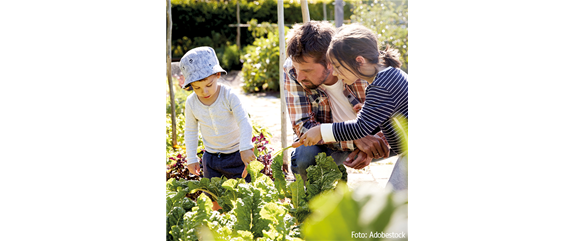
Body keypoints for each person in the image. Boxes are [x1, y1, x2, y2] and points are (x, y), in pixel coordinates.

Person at [300, 24, 408, 190]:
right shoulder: (388, 75)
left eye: (337, 66)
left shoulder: (381, 86)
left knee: (395, 206)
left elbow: (359, 129)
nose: (335, 73)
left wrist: (321, 130)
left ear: (359, 61)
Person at [180, 46, 257, 185]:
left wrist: (245, 147)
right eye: (197, 88)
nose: (204, 91)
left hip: (236, 155)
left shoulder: (228, 95)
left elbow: (244, 121)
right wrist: (191, 158)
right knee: (215, 196)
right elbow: (190, 131)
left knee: (244, 194)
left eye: (209, 85)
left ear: (217, 75)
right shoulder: (191, 103)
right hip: (211, 158)